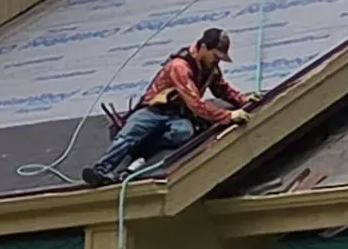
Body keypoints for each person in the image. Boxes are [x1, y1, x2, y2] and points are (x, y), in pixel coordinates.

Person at [82, 28, 256, 186]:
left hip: (177, 116)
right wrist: (228, 116)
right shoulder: (180, 67)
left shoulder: (209, 67)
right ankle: (101, 169)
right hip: (153, 111)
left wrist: (243, 100)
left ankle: (146, 146)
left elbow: (222, 89)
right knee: (129, 134)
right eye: (215, 56)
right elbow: (196, 105)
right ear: (203, 47)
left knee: (184, 133)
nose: (217, 61)